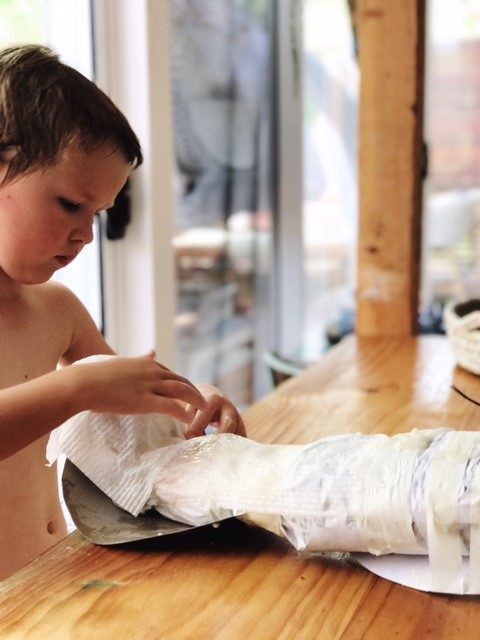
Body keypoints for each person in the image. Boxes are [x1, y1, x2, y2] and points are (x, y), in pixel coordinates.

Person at [0, 44, 245, 580]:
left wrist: (194, 406)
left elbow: (131, 412)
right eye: (70, 204)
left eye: (98, 213)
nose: (86, 234)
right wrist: (75, 389)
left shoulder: (57, 309)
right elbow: (87, 390)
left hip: (51, 583)